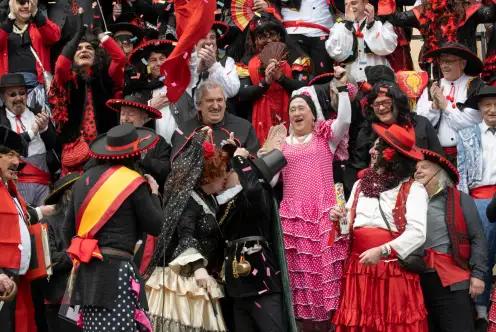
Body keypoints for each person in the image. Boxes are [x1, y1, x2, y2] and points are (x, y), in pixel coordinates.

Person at [62, 124, 164, 331]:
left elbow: (67, 231)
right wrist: (154, 193)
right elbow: (155, 225)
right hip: (117, 270)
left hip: (87, 272)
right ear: (132, 155)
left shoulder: (81, 182)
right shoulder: (132, 181)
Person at [331, 124, 428, 331]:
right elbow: (347, 229)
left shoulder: (414, 188)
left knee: (391, 323)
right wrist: (338, 220)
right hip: (359, 269)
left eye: (377, 147)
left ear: (392, 155)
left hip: (392, 270)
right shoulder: (359, 185)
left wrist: (382, 251)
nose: (371, 151)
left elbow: (417, 233)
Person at [277, 67, 351, 331]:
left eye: (301, 108)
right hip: (294, 220)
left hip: (325, 215)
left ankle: (335, 325)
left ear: (312, 113)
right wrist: (269, 152)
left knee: (329, 274)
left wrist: (342, 89)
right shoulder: (282, 143)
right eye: (292, 109)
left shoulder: (325, 139)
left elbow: (344, 120)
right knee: (301, 279)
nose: (296, 113)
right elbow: (272, 182)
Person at [143, 129, 229, 331]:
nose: (226, 176)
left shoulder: (211, 200)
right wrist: (198, 267)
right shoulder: (187, 200)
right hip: (182, 282)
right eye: (222, 172)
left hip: (200, 280)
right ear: (209, 176)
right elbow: (185, 234)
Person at [216, 147, 293, 332]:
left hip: (261, 281)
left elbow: (251, 187)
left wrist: (241, 161)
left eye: (232, 169)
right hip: (237, 284)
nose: (228, 172)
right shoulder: (225, 201)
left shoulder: (259, 194)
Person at [414, 149, 487, 332]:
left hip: (452, 279)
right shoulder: (409, 201)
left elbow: (477, 237)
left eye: (424, 167)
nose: (418, 171)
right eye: (415, 169)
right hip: (417, 279)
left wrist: (478, 274)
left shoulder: (461, 199)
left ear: (439, 172)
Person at [49, 8, 124, 175]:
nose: (84, 50)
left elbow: (120, 58)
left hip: (106, 151)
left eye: (89, 48)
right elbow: (60, 66)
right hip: (77, 156)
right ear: (73, 57)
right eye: (79, 49)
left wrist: (99, 33)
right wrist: (77, 36)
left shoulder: (106, 76)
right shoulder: (66, 80)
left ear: (96, 56)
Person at [0, 125, 49, 332]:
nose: (16, 162)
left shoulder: (10, 191)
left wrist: (45, 211)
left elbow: (21, 218)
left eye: (18, 156)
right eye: (10, 155)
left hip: (17, 280)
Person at [234, 10, 310, 142]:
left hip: (292, 117)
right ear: (255, 40)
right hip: (257, 121)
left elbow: (305, 88)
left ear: (280, 36)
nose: (268, 40)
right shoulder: (246, 63)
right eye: (262, 36)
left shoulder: (295, 58)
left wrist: (281, 78)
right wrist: (266, 82)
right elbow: (243, 93)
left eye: (272, 35)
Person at [350, 82, 444, 185]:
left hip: (422, 187)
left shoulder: (421, 124)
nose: (381, 108)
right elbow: (358, 168)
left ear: (397, 102)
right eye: (376, 104)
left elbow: (439, 160)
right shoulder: (367, 131)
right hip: (383, 191)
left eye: (386, 102)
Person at [457, 85, 496, 331]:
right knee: (483, 255)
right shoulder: (468, 134)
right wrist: (465, 206)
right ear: (479, 109)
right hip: (481, 201)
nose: (492, 110)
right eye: (487, 105)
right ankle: (481, 312)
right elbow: (461, 173)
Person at [416, 43, 486, 165]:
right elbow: (420, 123)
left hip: (472, 155)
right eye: (441, 61)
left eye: (448, 61)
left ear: (463, 64)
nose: (444, 66)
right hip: (438, 156)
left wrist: (446, 106)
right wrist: (434, 107)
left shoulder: (475, 86)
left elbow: (475, 122)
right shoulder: (431, 87)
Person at [384, 0, 496, 70]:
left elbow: (491, 15)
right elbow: (395, 18)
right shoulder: (423, 11)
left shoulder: (470, 8)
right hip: (436, 70)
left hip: (466, 69)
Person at [0, 73, 59, 206]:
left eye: (22, 93)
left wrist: (44, 129)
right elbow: (7, 145)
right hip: (12, 185)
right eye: (12, 94)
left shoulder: (38, 113)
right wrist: (31, 133)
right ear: (3, 97)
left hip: (43, 183)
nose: (18, 98)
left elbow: (55, 145)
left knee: (45, 223)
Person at [35, 173, 82, 332]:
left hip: (86, 295)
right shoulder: (47, 223)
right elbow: (50, 260)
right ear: (69, 195)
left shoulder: (86, 221)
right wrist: (80, 253)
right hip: (59, 297)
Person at [127, 39, 196, 144]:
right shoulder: (137, 92)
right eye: (153, 60)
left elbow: (193, 60)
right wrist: (149, 108)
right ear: (147, 64)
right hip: (152, 150)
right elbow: (130, 124)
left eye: (162, 58)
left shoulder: (182, 82)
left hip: (182, 147)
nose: (159, 63)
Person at [171, 80, 260, 158]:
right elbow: (176, 168)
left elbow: (256, 165)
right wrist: (198, 152)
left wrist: (236, 156)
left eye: (219, 100)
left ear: (225, 104)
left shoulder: (244, 127)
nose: (215, 106)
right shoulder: (183, 130)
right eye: (210, 100)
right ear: (198, 105)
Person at [0, 0, 60, 108]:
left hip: (36, 86)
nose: (27, 6)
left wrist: (36, 12)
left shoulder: (39, 25)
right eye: (21, 2)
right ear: (12, 4)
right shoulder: (4, 26)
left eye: (30, 2)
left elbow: (54, 36)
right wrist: (10, 18)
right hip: (8, 87)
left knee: (39, 122)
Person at [106, 94, 172, 191]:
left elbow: (166, 171)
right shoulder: (111, 139)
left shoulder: (157, 141)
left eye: (131, 114)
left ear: (144, 117)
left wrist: (144, 158)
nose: (125, 118)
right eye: (123, 113)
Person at [325, 0, 398, 83]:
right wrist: (347, 27)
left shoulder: (380, 22)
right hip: (350, 81)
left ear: (365, 3)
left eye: (354, 3)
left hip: (377, 79)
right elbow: (337, 54)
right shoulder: (339, 26)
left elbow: (388, 47)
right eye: (346, 4)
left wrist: (372, 25)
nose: (349, 7)